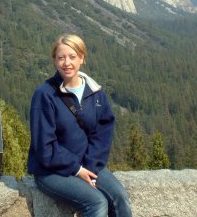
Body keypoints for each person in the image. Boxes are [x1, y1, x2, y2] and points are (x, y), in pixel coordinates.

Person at [28, 33, 132, 217]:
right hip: (51, 170)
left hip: (87, 164)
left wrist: (89, 167)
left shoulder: (95, 92)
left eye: (72, 57)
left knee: (120, 198)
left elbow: (102, 134)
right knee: (96, 202)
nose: (66, 63)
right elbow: (45, 148)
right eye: (61, 58)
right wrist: (77, 170)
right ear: (54, 60)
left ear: (82, 58)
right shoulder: (45, 95)